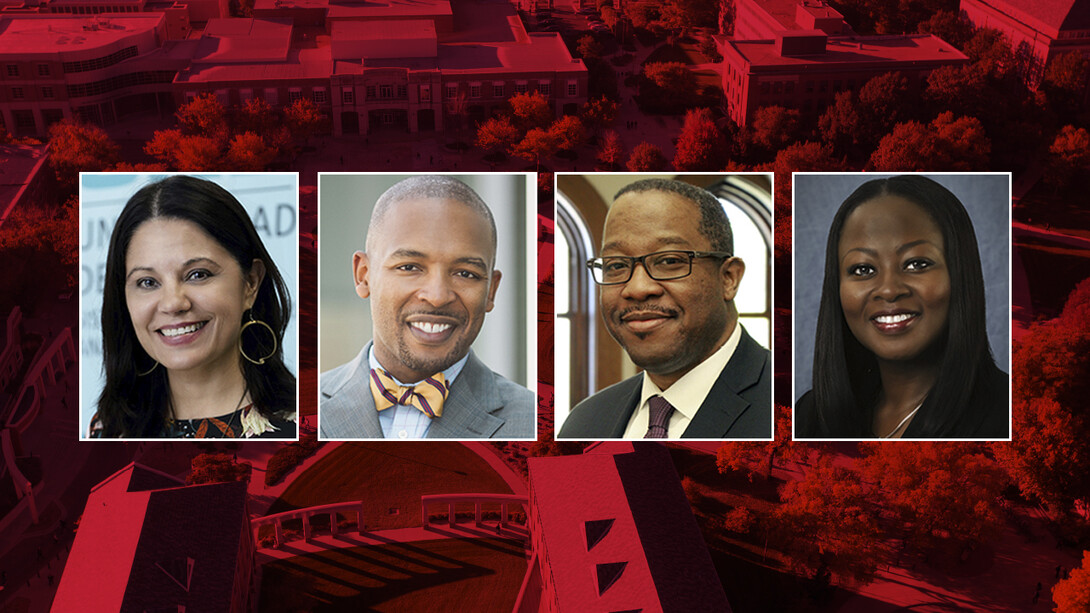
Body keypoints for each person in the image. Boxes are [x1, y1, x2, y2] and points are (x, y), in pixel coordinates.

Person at [319, 176, 535, 439]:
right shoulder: (300, 410)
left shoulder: (536, 422)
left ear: (491, 290)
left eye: (466, 273)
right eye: (409, 267)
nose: (437, 296)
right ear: (363, 275)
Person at [795, 175, 1009, 439]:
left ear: (960, 274)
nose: (888, 289)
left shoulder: (1011, 416)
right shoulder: (809, 418)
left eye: (916, 264)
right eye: (863, 269)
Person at [558, 178, 772, 439]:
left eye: (669, 260)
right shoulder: (586, 421)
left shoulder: (789, 411)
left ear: (728, 278)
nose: (636, 288)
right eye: (615, 266)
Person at [92, 175, 297, 438]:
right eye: (147, 282)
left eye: (198, 274)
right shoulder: (107, 429)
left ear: (251, 283)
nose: (173, 303)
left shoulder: (308, 425)